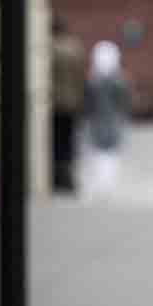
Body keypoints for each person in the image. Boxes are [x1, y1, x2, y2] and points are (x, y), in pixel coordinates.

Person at [82, 38, 129, 197]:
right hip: (110, 119)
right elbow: (123, 100)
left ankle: (103, 182)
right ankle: (106, 182)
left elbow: (87, 100)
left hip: (100, 119)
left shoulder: (94, 80)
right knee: (108, 151)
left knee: (100, 150)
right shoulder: (118, 80)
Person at [50, 14, 87, 193]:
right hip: (72, 103)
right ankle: (68, 179)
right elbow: (82, 78)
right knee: (69, 142)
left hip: (55, 104)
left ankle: (58, 178)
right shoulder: (75, 48)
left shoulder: (49, 49)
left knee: (55, 142)